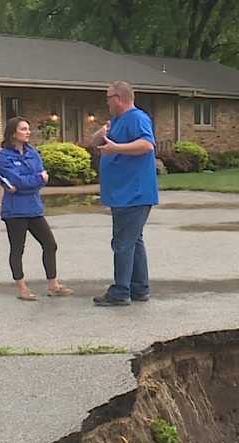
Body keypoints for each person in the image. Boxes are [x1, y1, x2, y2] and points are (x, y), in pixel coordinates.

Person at [91, 80, 158, 307]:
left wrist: (116, 149)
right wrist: (99, 135)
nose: (106, 102)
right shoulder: (117, 121)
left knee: (122, 243)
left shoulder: (137, 118)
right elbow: (94, 143)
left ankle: (121, 291)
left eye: (108, 98)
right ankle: (139, 288)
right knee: (133, 241)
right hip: (122, 194)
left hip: (134, 194)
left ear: (118, 98)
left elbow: (147, 145)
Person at [0, 117, 72, 301]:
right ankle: (22, 288)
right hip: (14, 212)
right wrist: (36, 179)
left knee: (50, 244)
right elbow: (17, 181)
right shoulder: (4, 157)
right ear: (13, 133)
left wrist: (29, 182)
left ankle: (53, 285)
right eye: (24, 129)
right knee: (17, 249)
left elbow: (32, 181)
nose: (28, 132)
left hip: (34, 208)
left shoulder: (33, 153)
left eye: (28, 128)